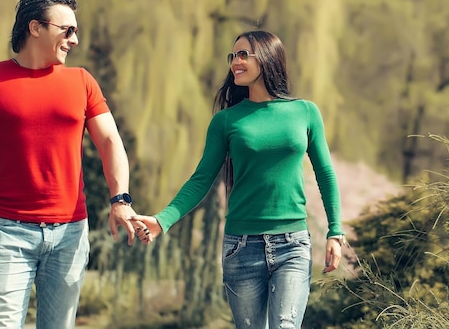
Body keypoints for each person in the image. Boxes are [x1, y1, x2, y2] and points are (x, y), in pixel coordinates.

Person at [0, 0, 144, 328]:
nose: (75, 40)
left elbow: (110, 141)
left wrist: (120, 198)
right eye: (67, 30)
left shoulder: (82, 82)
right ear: (35, 27)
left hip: (69, 233)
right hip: (9, 232)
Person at [132, 30, 345, 329]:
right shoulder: (226, 121)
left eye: (244, 54)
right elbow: (201, 179)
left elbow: (325, 173)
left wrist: (335, 231)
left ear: (268, 58)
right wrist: (162, 220)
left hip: (292, 243)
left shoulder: (305, 112)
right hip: (241, 248)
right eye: (233, 56)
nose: (236, 62)